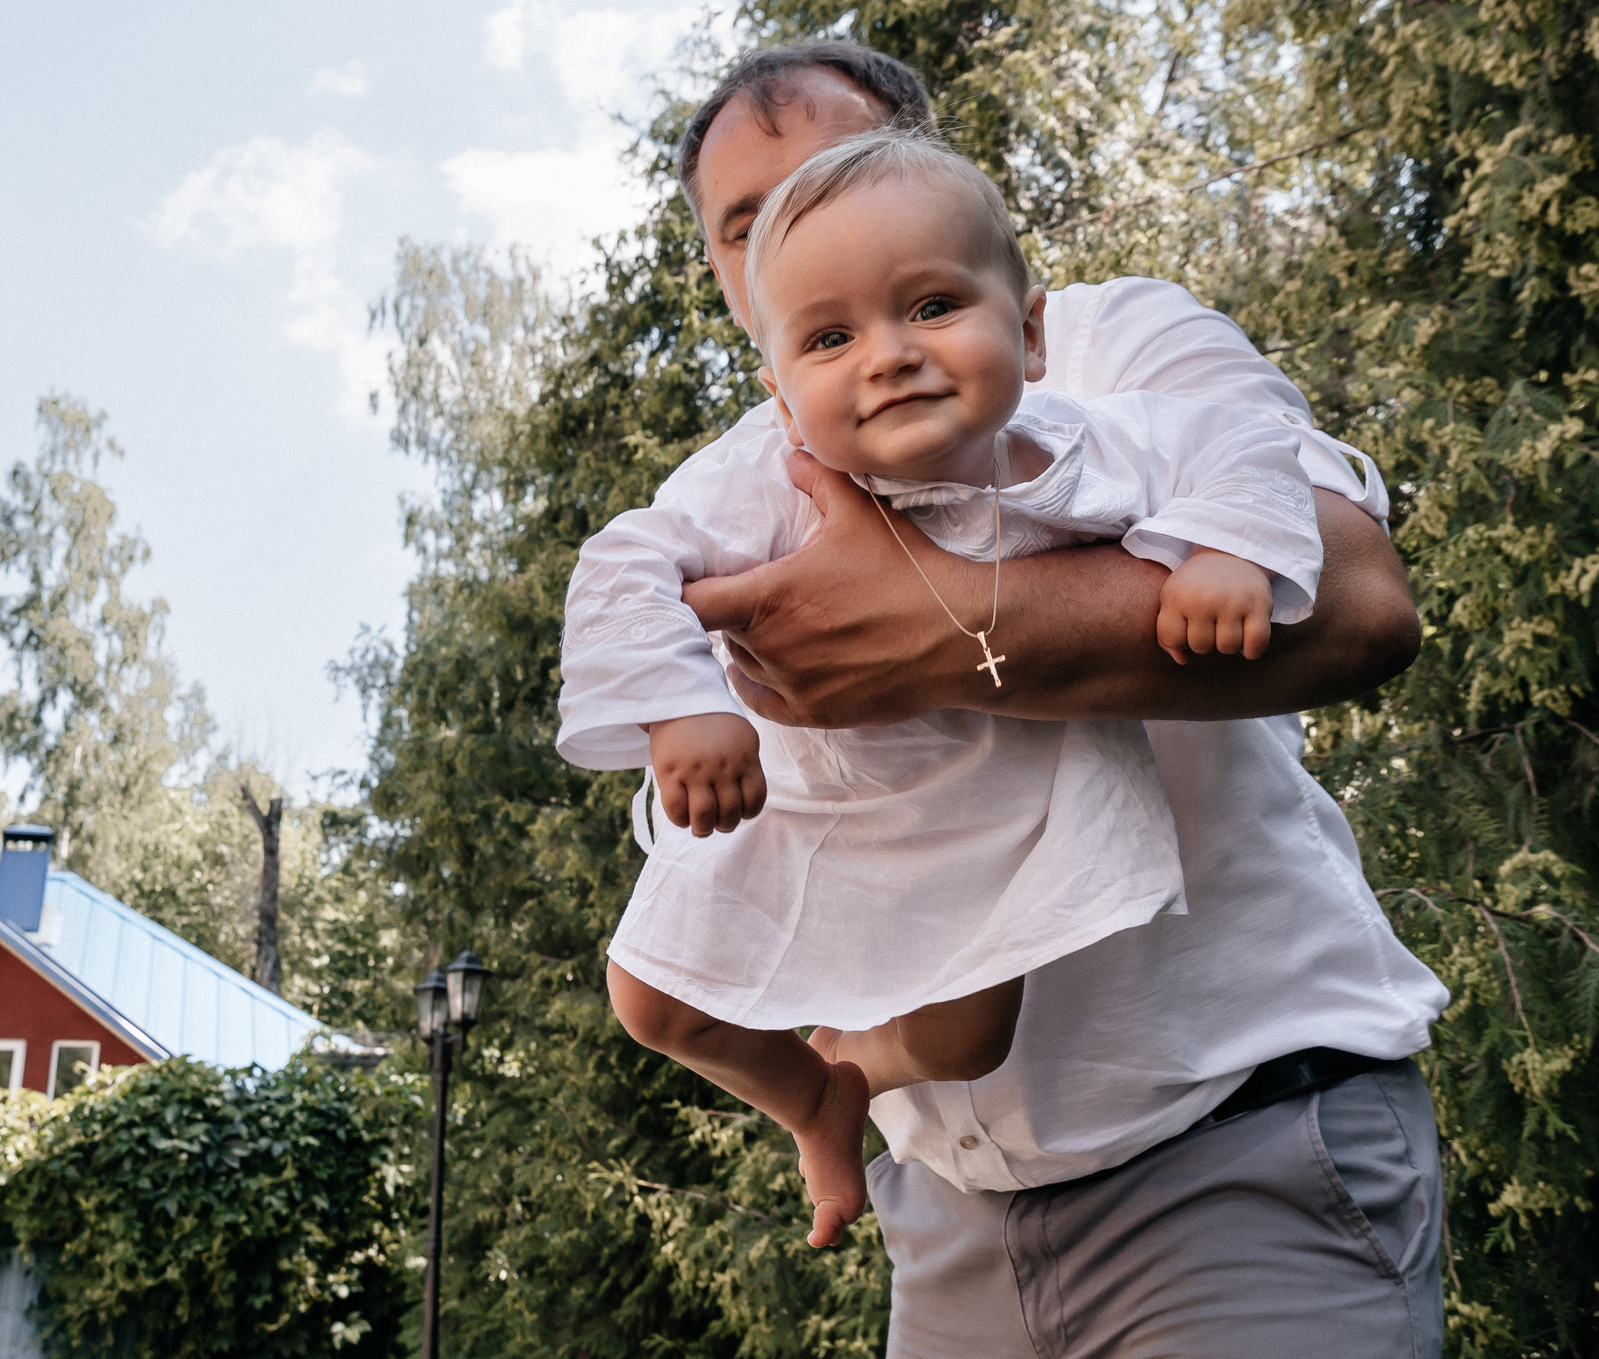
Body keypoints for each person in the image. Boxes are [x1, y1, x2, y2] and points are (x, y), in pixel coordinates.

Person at [667, 41, 1451, 1359]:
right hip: (951, 1217)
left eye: (842, 170)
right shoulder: (736, 495)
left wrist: (936, 628)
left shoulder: (1107, 341)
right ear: (725, 278)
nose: (807, 222)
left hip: (1234, 1145)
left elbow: (1365, 599)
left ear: (936, 170)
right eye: (750, 221)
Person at [557, 129, 1326, 1247]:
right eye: (830, 335)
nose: (886, 355)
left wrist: (1220, 550)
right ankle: (808, 1102)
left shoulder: (1075, 445)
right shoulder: (762, 476)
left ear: (1026, 330)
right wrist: (684, 707)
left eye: (928, 307)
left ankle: (852, 1073)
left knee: (965, 1036)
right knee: (651, 1000)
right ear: (778, 392)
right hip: (804, 799)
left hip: (980, 798)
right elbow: (627, 563)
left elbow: (1235, 448)